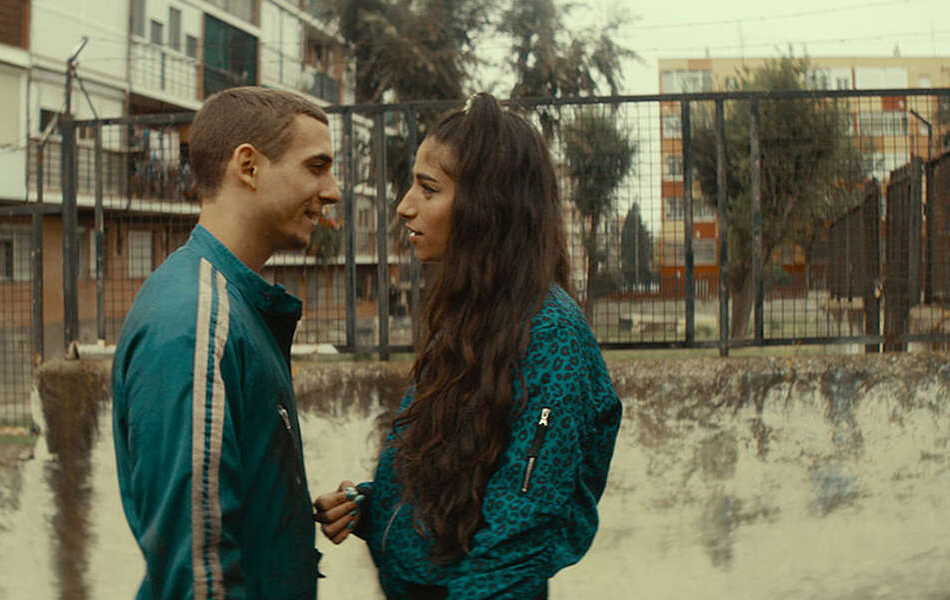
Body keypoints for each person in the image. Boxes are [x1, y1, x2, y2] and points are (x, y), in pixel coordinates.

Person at [314, 93, 622, 599]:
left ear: (488, 206)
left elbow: (518, 537)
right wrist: (371, 507)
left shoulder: (553, 337)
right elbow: (460, 471)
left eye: (428, 188)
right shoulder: (469, 317)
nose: (404, 206)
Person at [112, 86, 341, 599]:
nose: (332, 191)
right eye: (316, 167)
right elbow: (198, 575)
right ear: (249, 167)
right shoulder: (195, 321)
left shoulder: (231, 305)